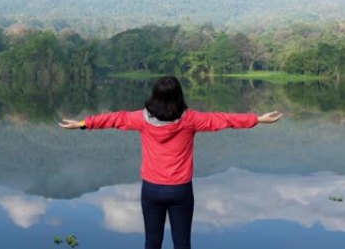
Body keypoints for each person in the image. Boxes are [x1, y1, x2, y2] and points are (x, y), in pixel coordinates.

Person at [59, 76, 283, 249]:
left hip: (152, 189)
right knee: (182, 244)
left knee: (152, 243)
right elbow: (223, 119)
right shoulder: (191, 119)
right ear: (179, 96)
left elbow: (114, 118)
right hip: (180, 190)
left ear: (155, 95)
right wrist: (258, 119)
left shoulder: (142, 119)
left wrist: (82, 123)